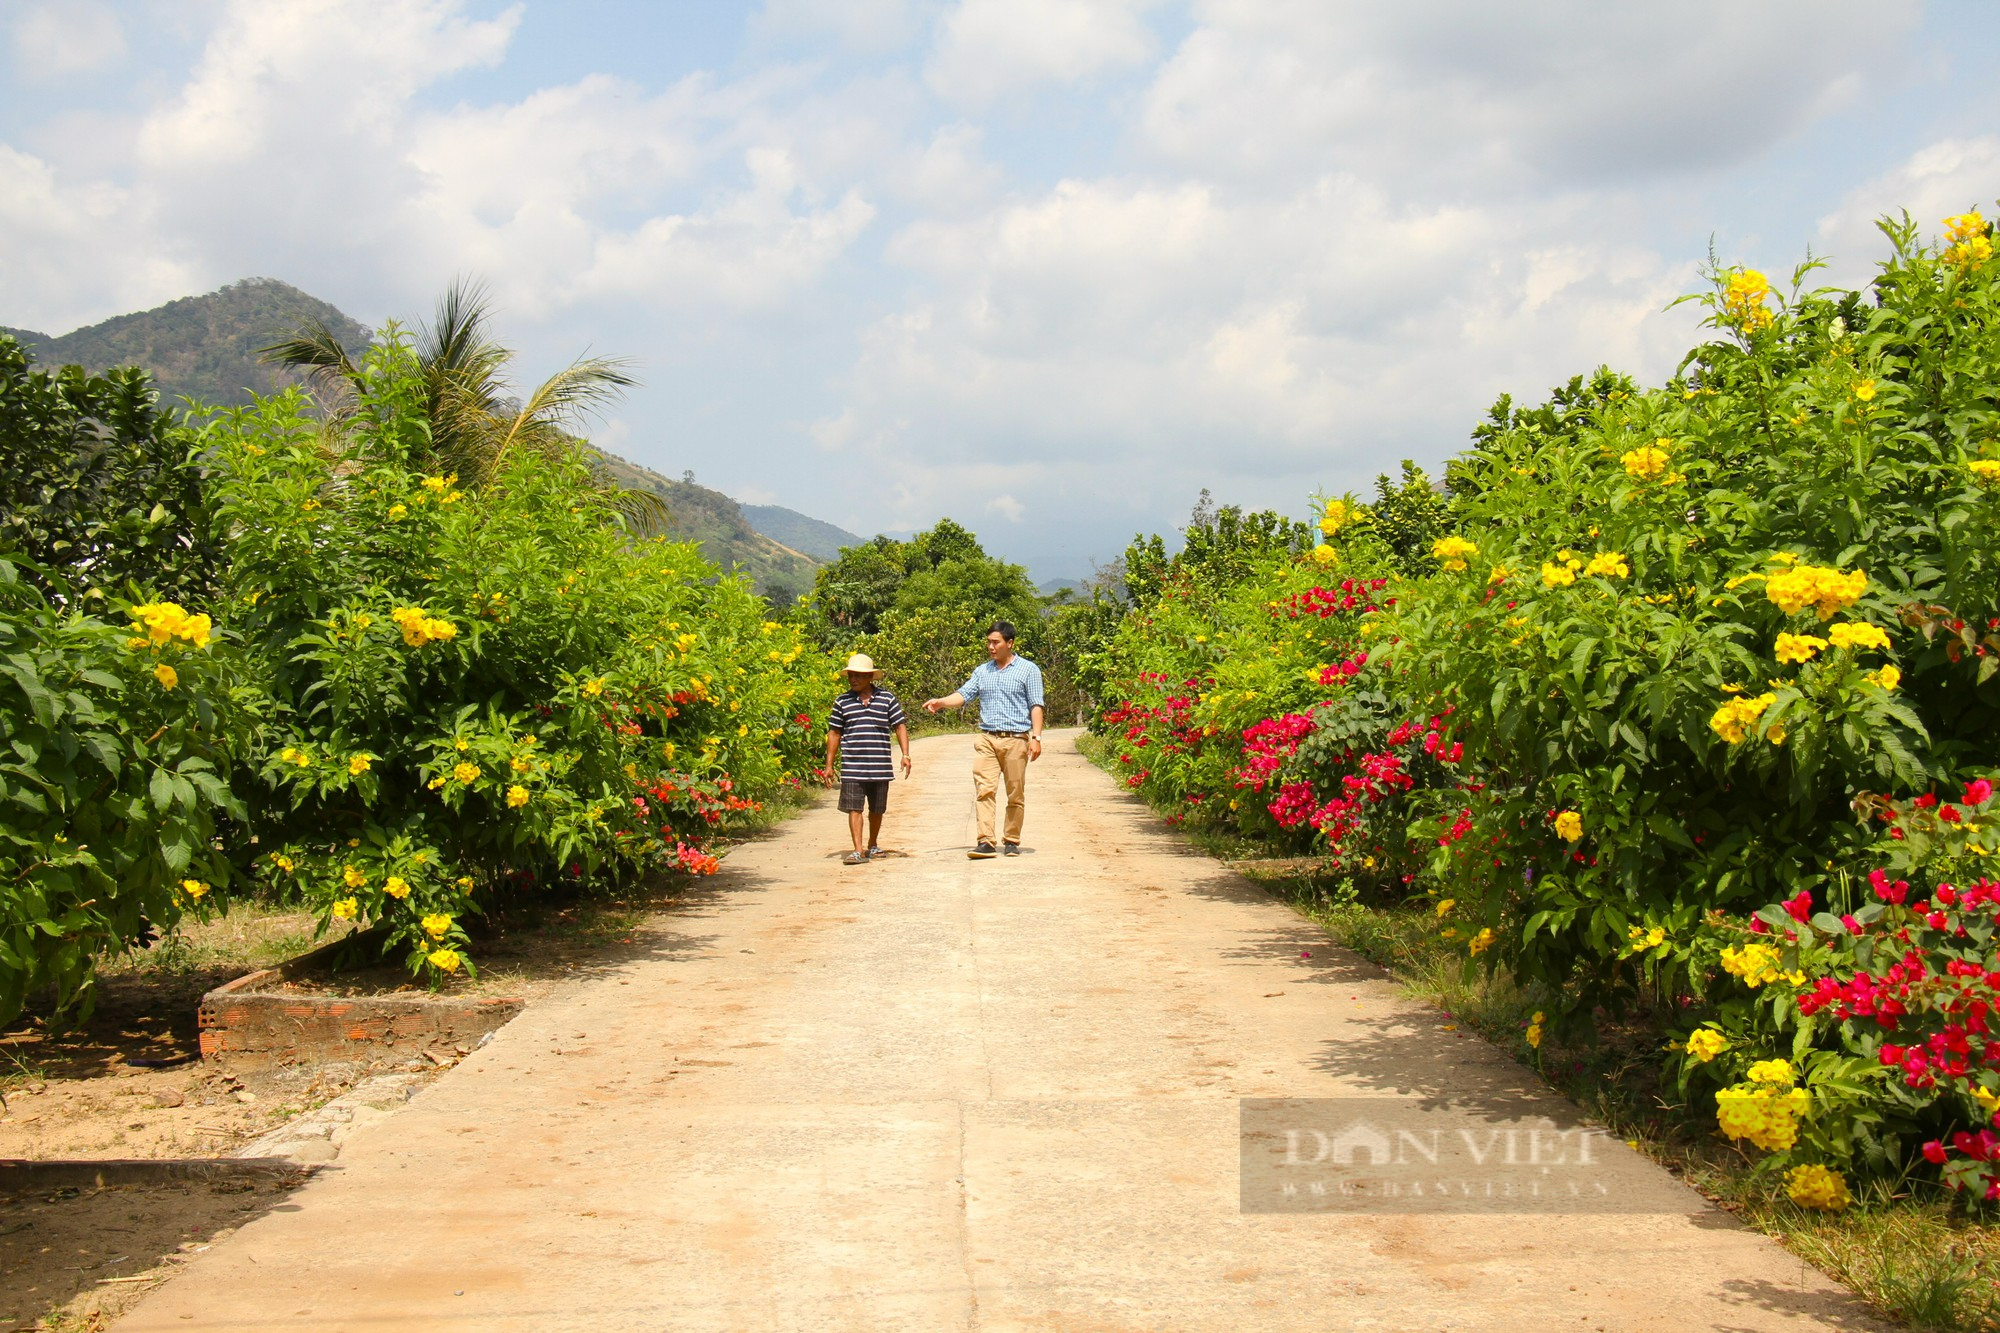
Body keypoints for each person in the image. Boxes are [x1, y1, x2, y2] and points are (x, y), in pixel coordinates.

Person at [923, 620, 1043, 858]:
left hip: (1016, 739)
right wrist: (942, 702)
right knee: (984, 790)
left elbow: (1036, 705)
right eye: (988, 642)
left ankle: (1011, 840)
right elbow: (964, 694)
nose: (991, 646)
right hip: (987, 738)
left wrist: (1036, 737)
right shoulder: (982, 671)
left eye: (995, 642)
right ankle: (986, 841)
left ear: (1010, 643)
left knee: (1015, 793)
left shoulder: (1029, 670)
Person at [826, 653, 911, 865]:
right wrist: (828, 765)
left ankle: (872, 844)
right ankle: (858, 850)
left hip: (880, 766)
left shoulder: (887, 699)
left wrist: (906, 754)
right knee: (854, 808)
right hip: (853, 767)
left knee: (877, 809)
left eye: (859, 675)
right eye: (851, 675)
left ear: (870, 677)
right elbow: (834, 733)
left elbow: (899, 726)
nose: (854, 679)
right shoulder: (842, 702)